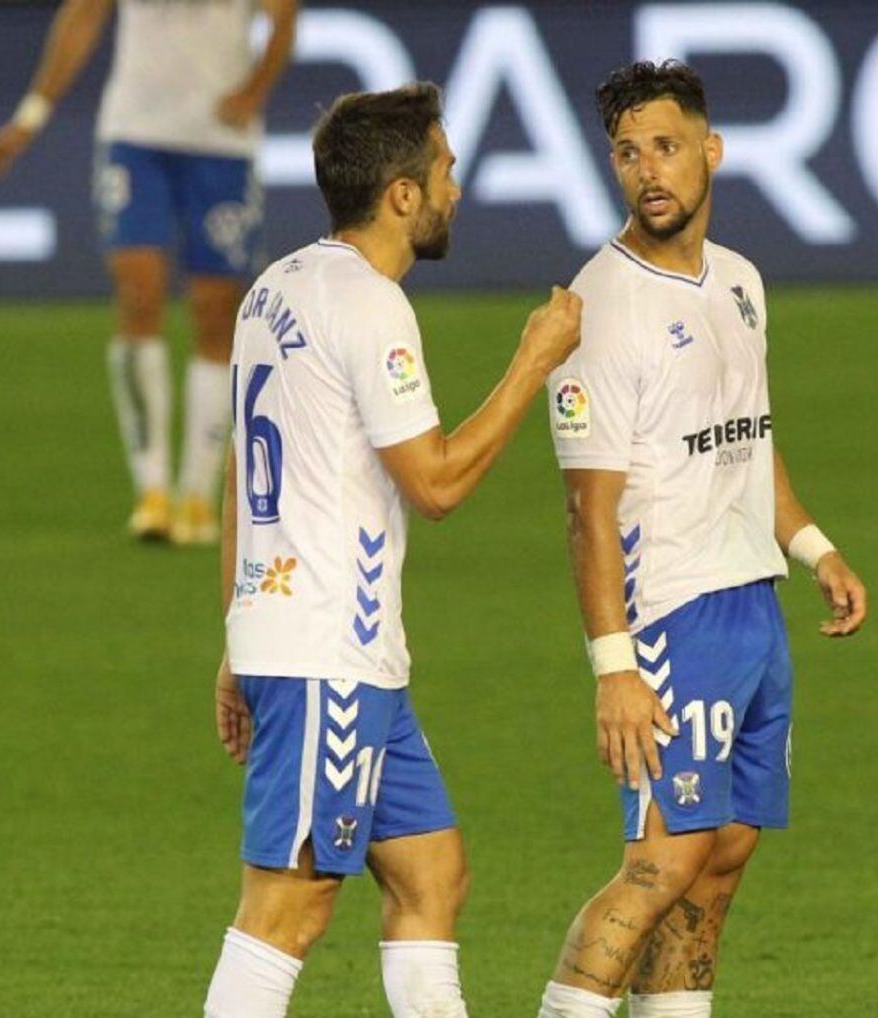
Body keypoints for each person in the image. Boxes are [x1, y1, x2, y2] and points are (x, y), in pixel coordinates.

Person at [203, 82, 581, 1018]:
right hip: (327, 651)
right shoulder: (369, 307)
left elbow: (240, 482)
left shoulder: (274, 289)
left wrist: (237, 625)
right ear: (402, 194)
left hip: (322, 644)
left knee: (430, 874)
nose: (457, 185)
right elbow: (438, 482)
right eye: (445, 169)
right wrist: (535, 359)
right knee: (288, 904)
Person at [536, 61, 868, 1018]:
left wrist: (816, 549)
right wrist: (614, 667)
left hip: (751, 606)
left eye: (667, 147)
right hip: (669, 614)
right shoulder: (604, 307)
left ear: (710, 153)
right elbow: (586, 509)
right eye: (630, 153)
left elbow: (749, 442)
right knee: (661, 861)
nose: (650, 170)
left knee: (721, 861)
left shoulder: (741, 283)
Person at [0, 0, 298, 544]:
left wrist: (253, 91)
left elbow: (284, 14)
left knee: (216, 309)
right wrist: (31, 116)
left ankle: (197, 490)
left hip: (220, 142)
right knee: (139, 290)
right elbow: (83, 14)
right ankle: (151, 489)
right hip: (135, 135)